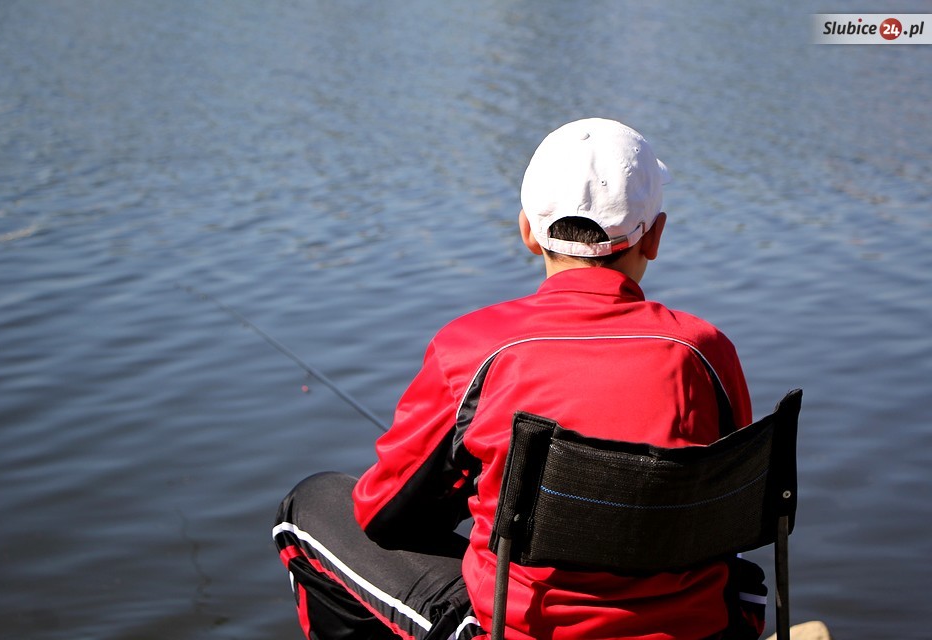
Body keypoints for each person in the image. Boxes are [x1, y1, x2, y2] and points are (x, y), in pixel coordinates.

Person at [273, 118, 767, 640]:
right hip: (702, 629)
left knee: (311, 506)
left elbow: (384, 514)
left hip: (519, 630)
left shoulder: (474, 348)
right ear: (656, 236)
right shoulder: (705, 351)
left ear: (528, 232)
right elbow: (730, 502)